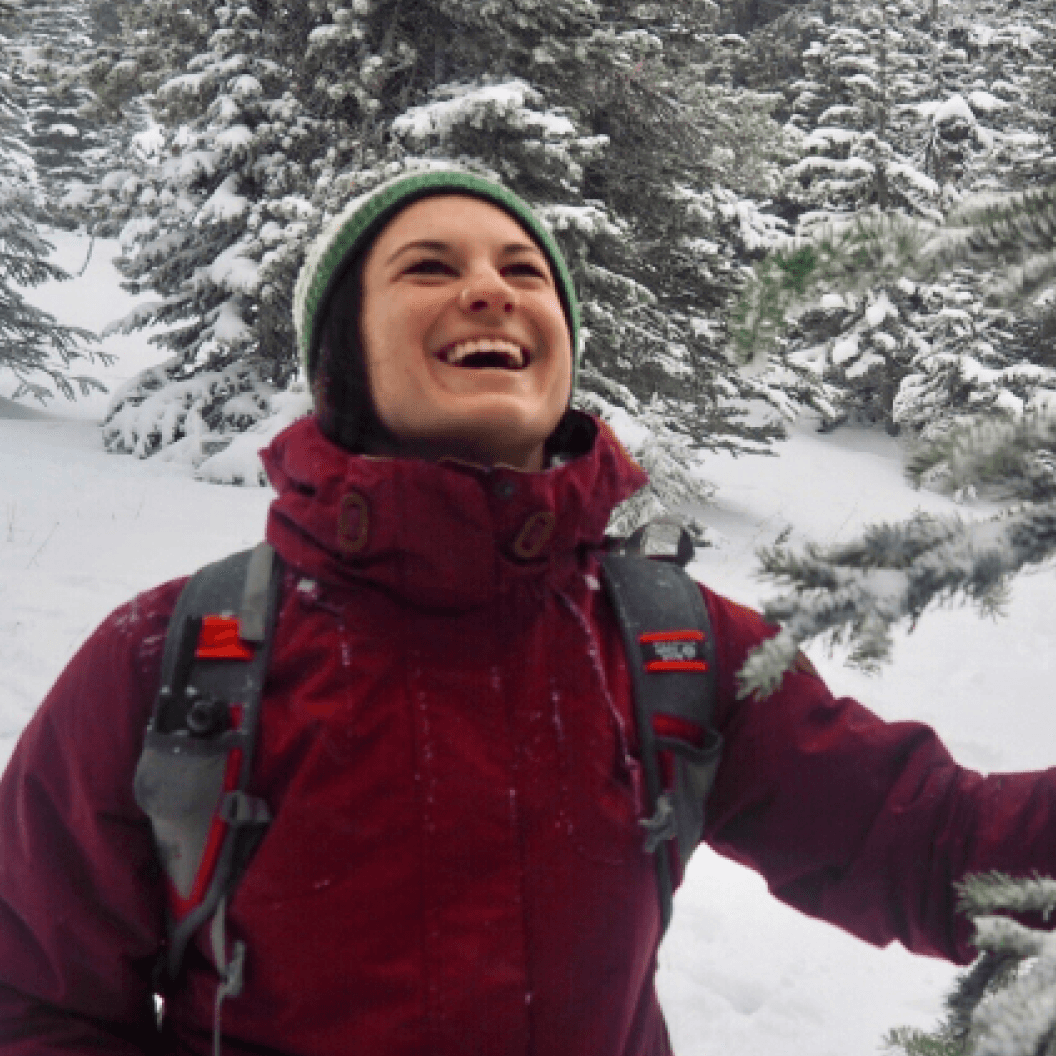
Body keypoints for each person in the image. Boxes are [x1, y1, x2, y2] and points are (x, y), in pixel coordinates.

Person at [1, 168, 1054, 1056]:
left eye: (524, 272)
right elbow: (37, 1002)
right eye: (429, 267)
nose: (490, 292)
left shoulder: (674, 641)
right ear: (342, 360)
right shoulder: (175, 655)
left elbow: (934, 847)